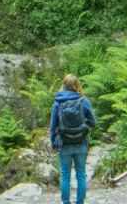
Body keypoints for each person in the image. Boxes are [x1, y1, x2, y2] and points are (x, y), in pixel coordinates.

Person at [50, 75, 96, 204]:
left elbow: (53, 126)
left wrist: (53, 142)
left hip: (64, 143)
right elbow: (93, 122)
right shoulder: (84, 101)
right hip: (81, 143)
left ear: (63, 85)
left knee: (65, 175)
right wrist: (84, 128)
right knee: (81, 174)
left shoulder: (58, 102)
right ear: (77, 85)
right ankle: (80, 202)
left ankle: (66, 202)